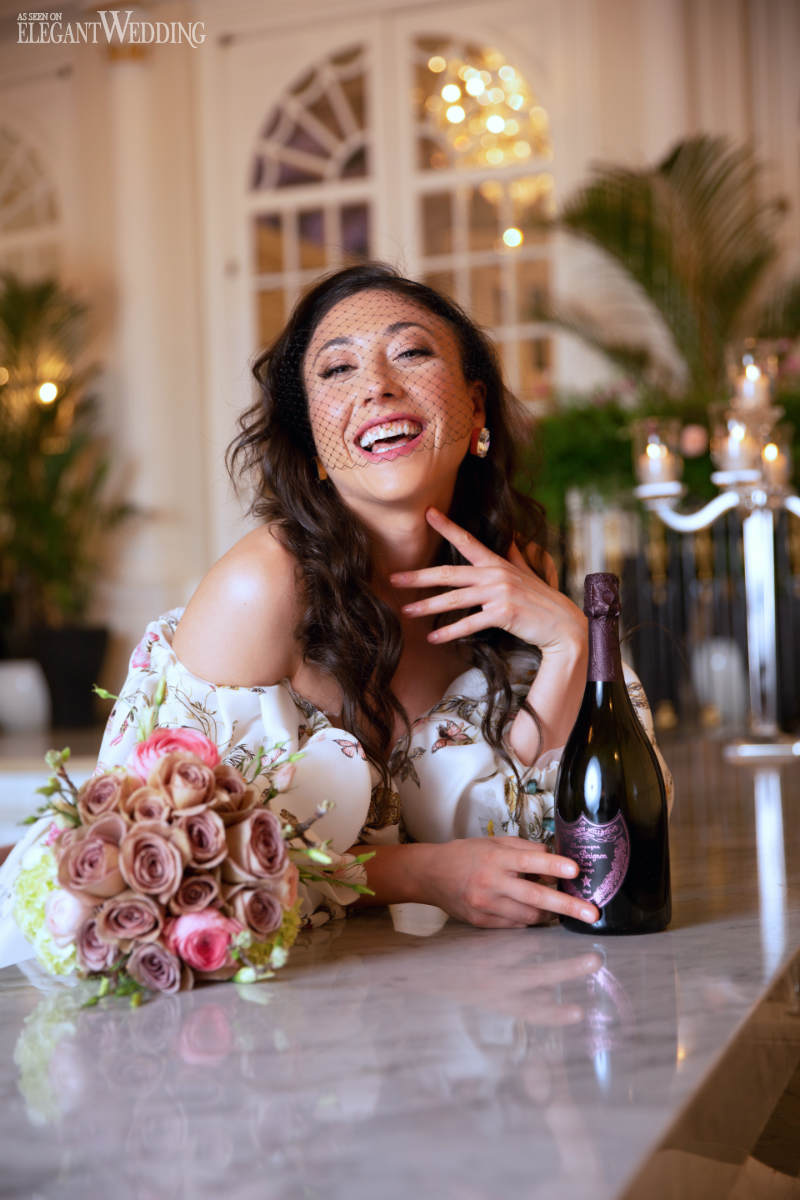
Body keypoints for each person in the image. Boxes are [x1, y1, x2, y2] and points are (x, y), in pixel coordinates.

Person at [92, 264, 671, 929]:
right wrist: (419, 875)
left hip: (466, 1004)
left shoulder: (518, 571)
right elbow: (176, 868)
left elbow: (588, 837)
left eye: (412, 353)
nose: (377, 387)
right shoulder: (262, 590)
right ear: (310, 435)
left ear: (475, 406)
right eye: (337, 371)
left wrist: (570, 642)